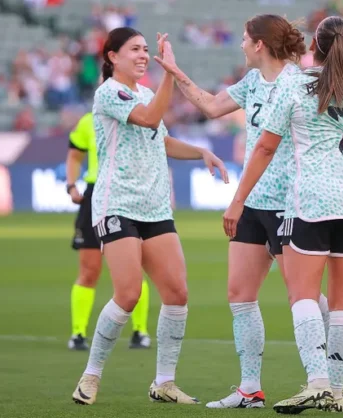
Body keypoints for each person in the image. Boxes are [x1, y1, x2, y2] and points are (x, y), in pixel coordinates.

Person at [155, 13, 343, 409]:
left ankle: (342, 371)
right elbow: (210, 106)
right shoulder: (253, 82)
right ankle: (249, 389)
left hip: (291, 203)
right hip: (253, 204)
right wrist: (174, 71)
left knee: (305, 297)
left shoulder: (303, 82)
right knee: (240, 295)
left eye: (244, 39)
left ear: (260, 44)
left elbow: (334, 128)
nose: (240, 45)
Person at [223, 16, 343, 414]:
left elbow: (263, 148)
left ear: (314, 44)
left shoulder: (295, 84)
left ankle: (317, 383)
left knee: (303, 295)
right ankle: (336, 389)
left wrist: (237, 199)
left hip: (311, 200)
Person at [70, 27, 228, 406]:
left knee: (177, 293)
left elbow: (161, 137)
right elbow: (149, 118)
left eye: (145, 49)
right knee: (128, 293)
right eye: (134, 50)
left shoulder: (143, 93)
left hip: (155, 206)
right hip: (117, 204)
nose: (143, 55)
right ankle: (90, 376)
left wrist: (201, 153)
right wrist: (171, 73)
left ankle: (164, 382)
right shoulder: (109, 93)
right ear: (112, 57)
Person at [66, 111, 151, 351]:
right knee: (89, 270)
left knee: (134, 268)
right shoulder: (87, 121)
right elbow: (74, 155)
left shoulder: (138, 117)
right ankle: (78, 333)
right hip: (95, 196)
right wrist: (71, 185)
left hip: (128, 194)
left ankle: (140, 330)